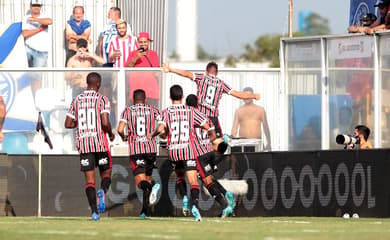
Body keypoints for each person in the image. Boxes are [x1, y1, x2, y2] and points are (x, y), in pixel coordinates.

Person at [149, 85, 216, 221]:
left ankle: (184, 196)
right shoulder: (190, 111)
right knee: (193, 181)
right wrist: (208, 132)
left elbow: (161, 128)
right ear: (182, 96)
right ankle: (195, 206)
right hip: (188, 150)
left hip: (173, 151)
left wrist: (152, 134)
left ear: (170, 97)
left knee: (180, 176)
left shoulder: (165, 112)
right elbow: (207, 125)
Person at [163, 62, 260, 150]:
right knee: (218, 144)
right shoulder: (221, 84)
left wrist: (171, 69)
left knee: (196, 140)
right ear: (216, 73)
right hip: (212, 118)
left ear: (206, 71)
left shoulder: (202, 78)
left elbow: (186, 74)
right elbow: (238, 94)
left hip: (200, 116)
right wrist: (254, 96)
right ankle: (215, 161)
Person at [64, 72, 115, 221]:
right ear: (98, 84)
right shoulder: (102, 99)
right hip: (100, 144)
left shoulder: (77, 100)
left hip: (84, 145)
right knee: (106, 174)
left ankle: (94, 213)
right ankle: (103, 191)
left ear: (87, 83)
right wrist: (110, 134)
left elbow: (68, 124)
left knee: (89, 181)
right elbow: (105, 122)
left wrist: (79, 123)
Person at [186, 94, 234, 218]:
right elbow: (213, 136)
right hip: (209, 151)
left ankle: (225, 206)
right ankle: (225, 196)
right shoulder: (205, 117)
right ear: (197, 104)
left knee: (206, 181)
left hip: (198, 153)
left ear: (187, 105)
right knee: (207, 178)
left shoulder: (187, 116)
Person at [117, 89, 161, 219]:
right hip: (151, 150)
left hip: (137, 150)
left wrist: (123, 136)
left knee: (141, 182)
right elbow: (163, 126)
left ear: (133, 99)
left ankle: (152, 188)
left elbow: (119, 129)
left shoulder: (128, 111)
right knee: (147, 179)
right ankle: (144, 212)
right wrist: (155, 134)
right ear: (145, 99)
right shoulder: (153, 109)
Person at [127, 32, 160, 107]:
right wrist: (135, 58)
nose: (143, 44)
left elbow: (156, 71)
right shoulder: (133, 53)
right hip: (136, 90)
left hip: (151, 90)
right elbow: (127, 68)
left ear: (148, 42)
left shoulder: (153, 54)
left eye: (145, 42)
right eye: (141, 42)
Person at [22, 0, 53, 67]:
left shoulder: (45, 15)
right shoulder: (26, 17)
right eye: (34, 5)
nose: (36, 7)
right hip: (28, 48)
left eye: (38, 5)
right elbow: (25, 34)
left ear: (41, 6)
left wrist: (35, 19)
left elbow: (49, 21)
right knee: (23, 73)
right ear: (30, 6)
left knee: (36, 76)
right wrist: (40, 29)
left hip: (42, 51)